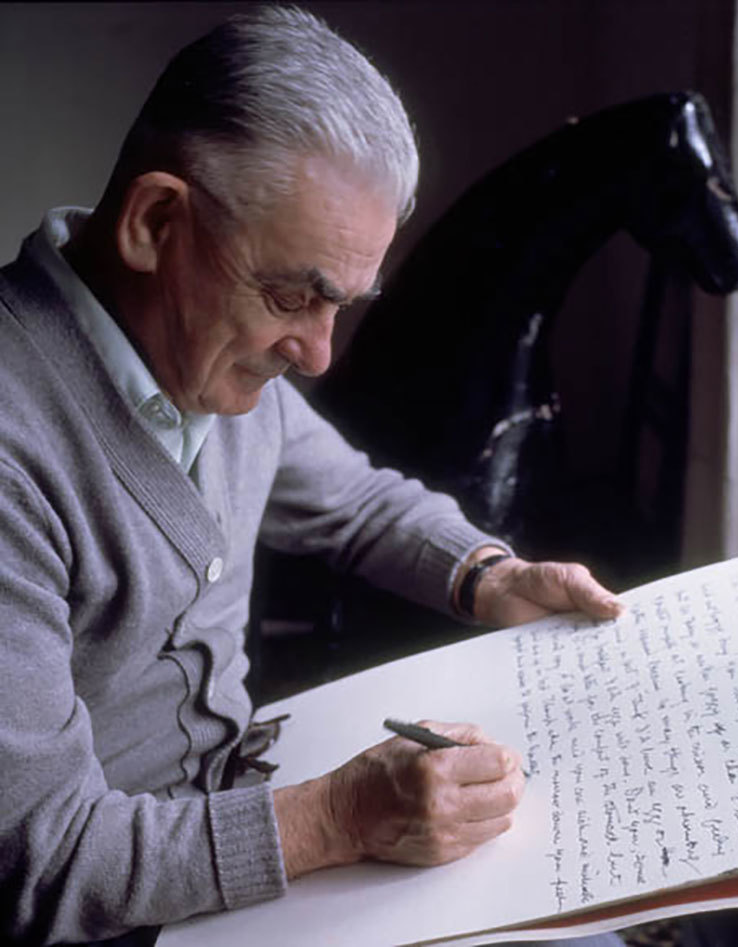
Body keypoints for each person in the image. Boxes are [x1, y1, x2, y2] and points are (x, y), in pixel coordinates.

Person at [0, 7, 625, 945]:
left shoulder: (203, 355)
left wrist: (490, 574)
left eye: (342, 302)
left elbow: (361, 504)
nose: (321, 354)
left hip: (245, 866)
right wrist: (336, 819)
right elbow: (40, 861)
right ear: (155, 220)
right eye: (295, 295)